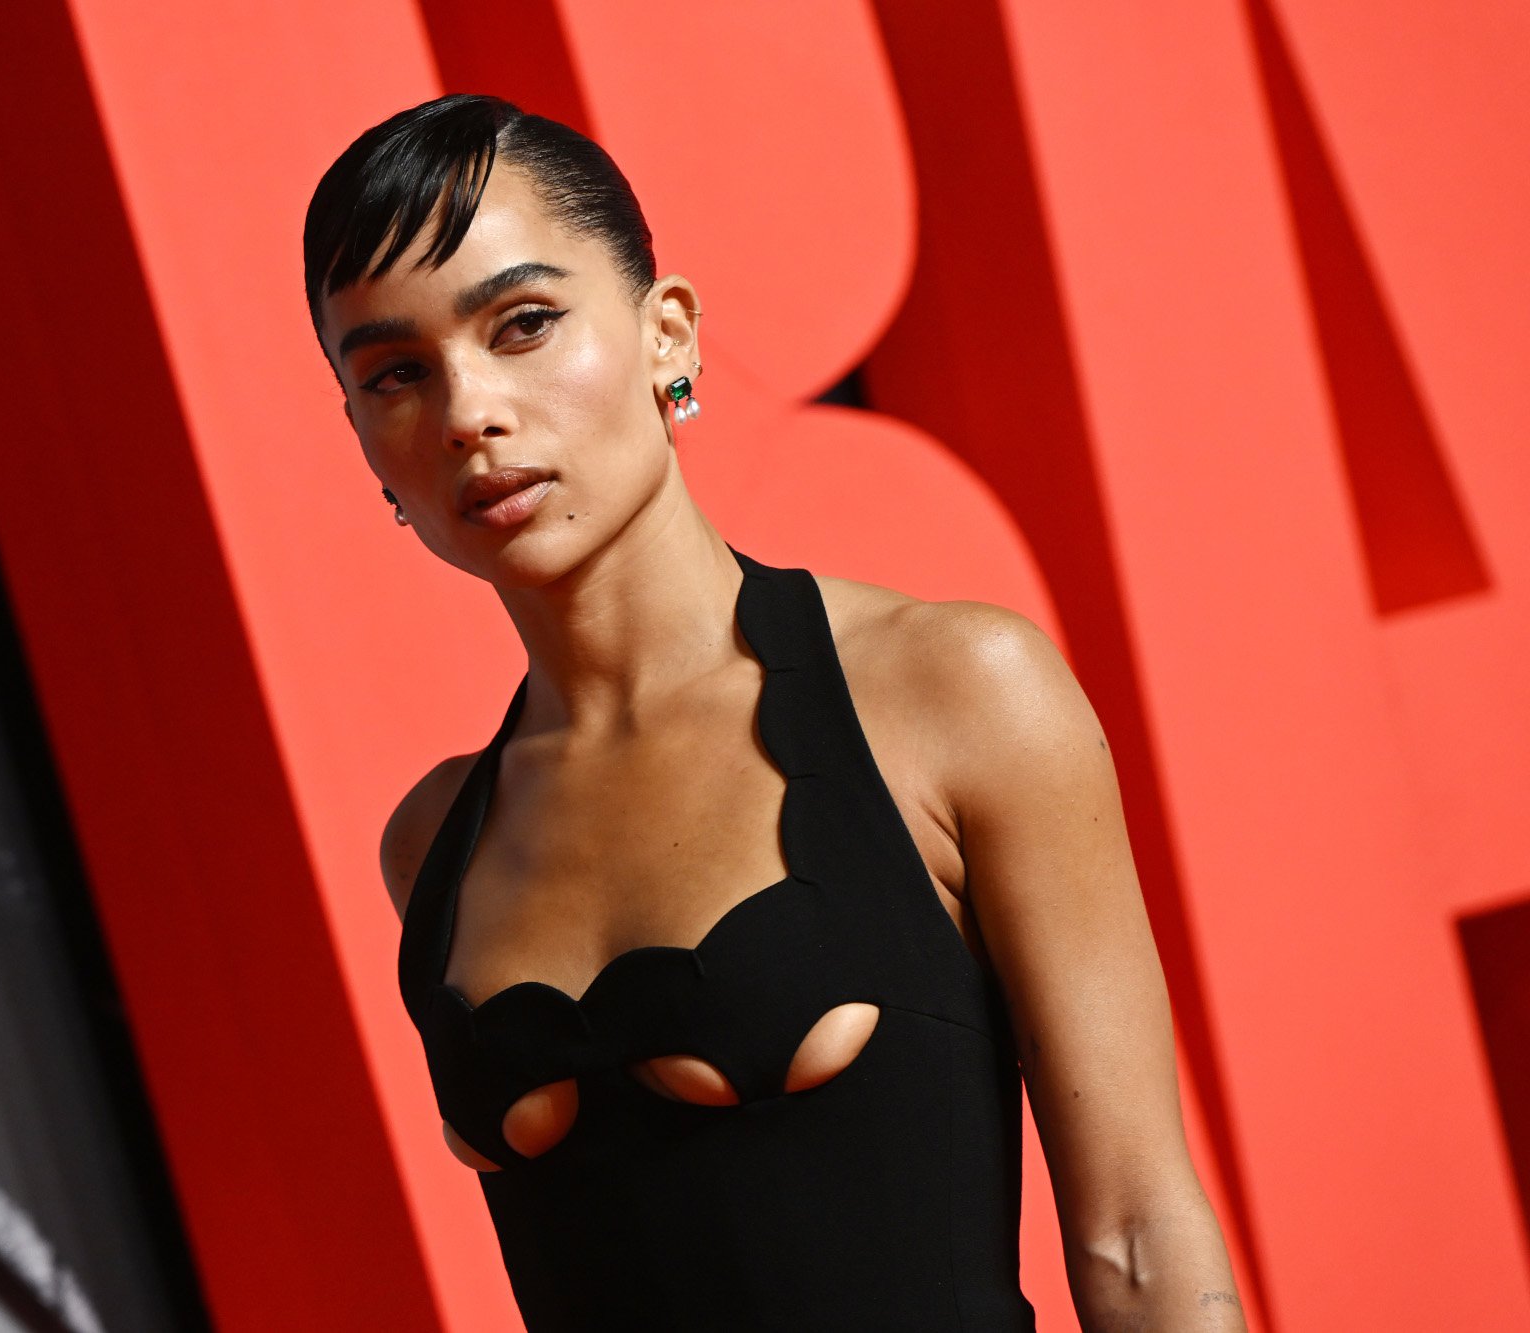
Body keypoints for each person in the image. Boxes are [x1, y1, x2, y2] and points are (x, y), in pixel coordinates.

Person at [303, 92, 1246, 1331]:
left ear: (667, 334)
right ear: (361, 435)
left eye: (522, 324)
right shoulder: (433, 845)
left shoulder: (952, 692)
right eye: (395, 374)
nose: (468, 411)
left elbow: (1134, 1236)